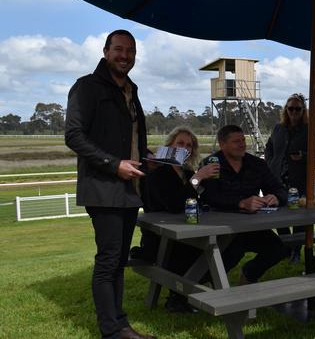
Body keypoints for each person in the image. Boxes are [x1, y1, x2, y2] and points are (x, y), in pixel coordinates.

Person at [65, 30, 156, 339]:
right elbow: (74, 136)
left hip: (130, 189)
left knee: (119, 261)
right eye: (119, 49)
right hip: (103, 187)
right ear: (105, 52)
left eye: (130, 51)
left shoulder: (131, 89)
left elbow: (129, 138)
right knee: (108, 260)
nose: (125, 56)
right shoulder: (87, 87)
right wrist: (114, 164)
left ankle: (121, 325)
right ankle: (111, 331)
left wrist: (146, 156)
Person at [133, 126, 218, 313]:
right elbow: (173, 205)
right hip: (162, 238)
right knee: (203, 254)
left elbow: (198, 201)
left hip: (187, 233)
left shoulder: (187, 173)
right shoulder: (158, 174)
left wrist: (205, 181)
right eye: (180, 143)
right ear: (169, 145)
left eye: (189, 145)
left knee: (223, 249)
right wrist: (197, 178)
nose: (185, 148)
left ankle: (186, 295)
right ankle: (179, 297)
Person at [196, 125, 289, 284]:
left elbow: (278, 188)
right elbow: (210, 197)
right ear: (222, 144)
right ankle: (195, 288)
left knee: (279, 249)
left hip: (251, 226)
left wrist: (276, 197)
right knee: (226, 258)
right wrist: (241, 203)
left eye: (243, 140)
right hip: (222, 228)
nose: (242, 144)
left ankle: (249, 273)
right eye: (236, 141)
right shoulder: (211, 164)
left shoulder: (257, 164)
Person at [265, 93, 315, 263]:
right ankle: (286, 248)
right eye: (290, 108)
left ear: (303, 111)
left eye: (298, 109)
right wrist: (271, 163)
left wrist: (303, 156)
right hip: (277, 179)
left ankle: (296, 250)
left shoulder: (309, 129)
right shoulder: (278, 128)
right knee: (279, 216)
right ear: (286, 110)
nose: (294, 112)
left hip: (298, 179)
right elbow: (269, 148)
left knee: (299, 218)